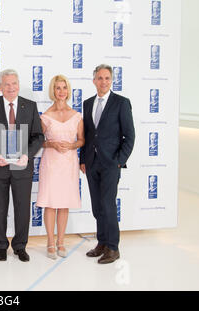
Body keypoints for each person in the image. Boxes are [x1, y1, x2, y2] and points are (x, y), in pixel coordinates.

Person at [0, 69, 44, 262]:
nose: (11, 87)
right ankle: (0, 246)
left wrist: (27, 155)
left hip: (22, 167)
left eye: (14, 83)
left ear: (18, 84)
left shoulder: (29, 106)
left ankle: (20, 246)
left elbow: (38, 136)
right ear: (0, 87)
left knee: (23, 209)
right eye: (7, 84)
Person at [80, 64, 135, 264]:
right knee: (96, 206)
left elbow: (129, 136)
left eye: (107, 78)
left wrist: (119, 161)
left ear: (111, 81)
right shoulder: (87, 103)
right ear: (94, 80)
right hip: (91, 163)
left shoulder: (121, 103)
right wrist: (83, 159)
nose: (103, 82)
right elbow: (86, 134)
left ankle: (113, 247)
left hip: (111, 164)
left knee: (108, 205)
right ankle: (102, 242)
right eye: (100, 78)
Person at [36, 75, 84, 260]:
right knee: (50, 203)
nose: (61, 91)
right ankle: (50, 242)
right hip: (51, 163)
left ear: (68, 90)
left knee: (64, 204)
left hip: (69, 163)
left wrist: (72, 146)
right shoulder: (45, 116)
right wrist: (52, 145)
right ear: (53, 91)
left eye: (64, 87)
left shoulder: (77, 115)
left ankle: (61, 241)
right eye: (58, 88)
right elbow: (38, 141)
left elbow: (82, 140)